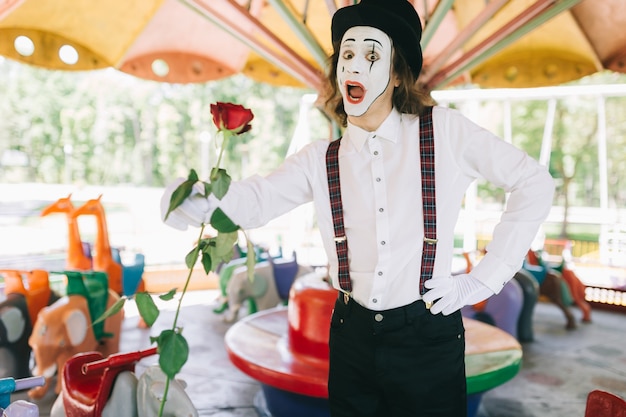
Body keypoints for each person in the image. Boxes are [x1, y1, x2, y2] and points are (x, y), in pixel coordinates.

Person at [161, 0, 555, 415]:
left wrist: (481, 281)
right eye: (347, 55)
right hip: (352, 336)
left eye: (371, 56)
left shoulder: (443, 131)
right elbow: (256, 202)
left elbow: (534, 182)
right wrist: (196, 199)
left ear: (399, 74)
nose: (354, 66)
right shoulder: (320, 158)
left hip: (427, 337)